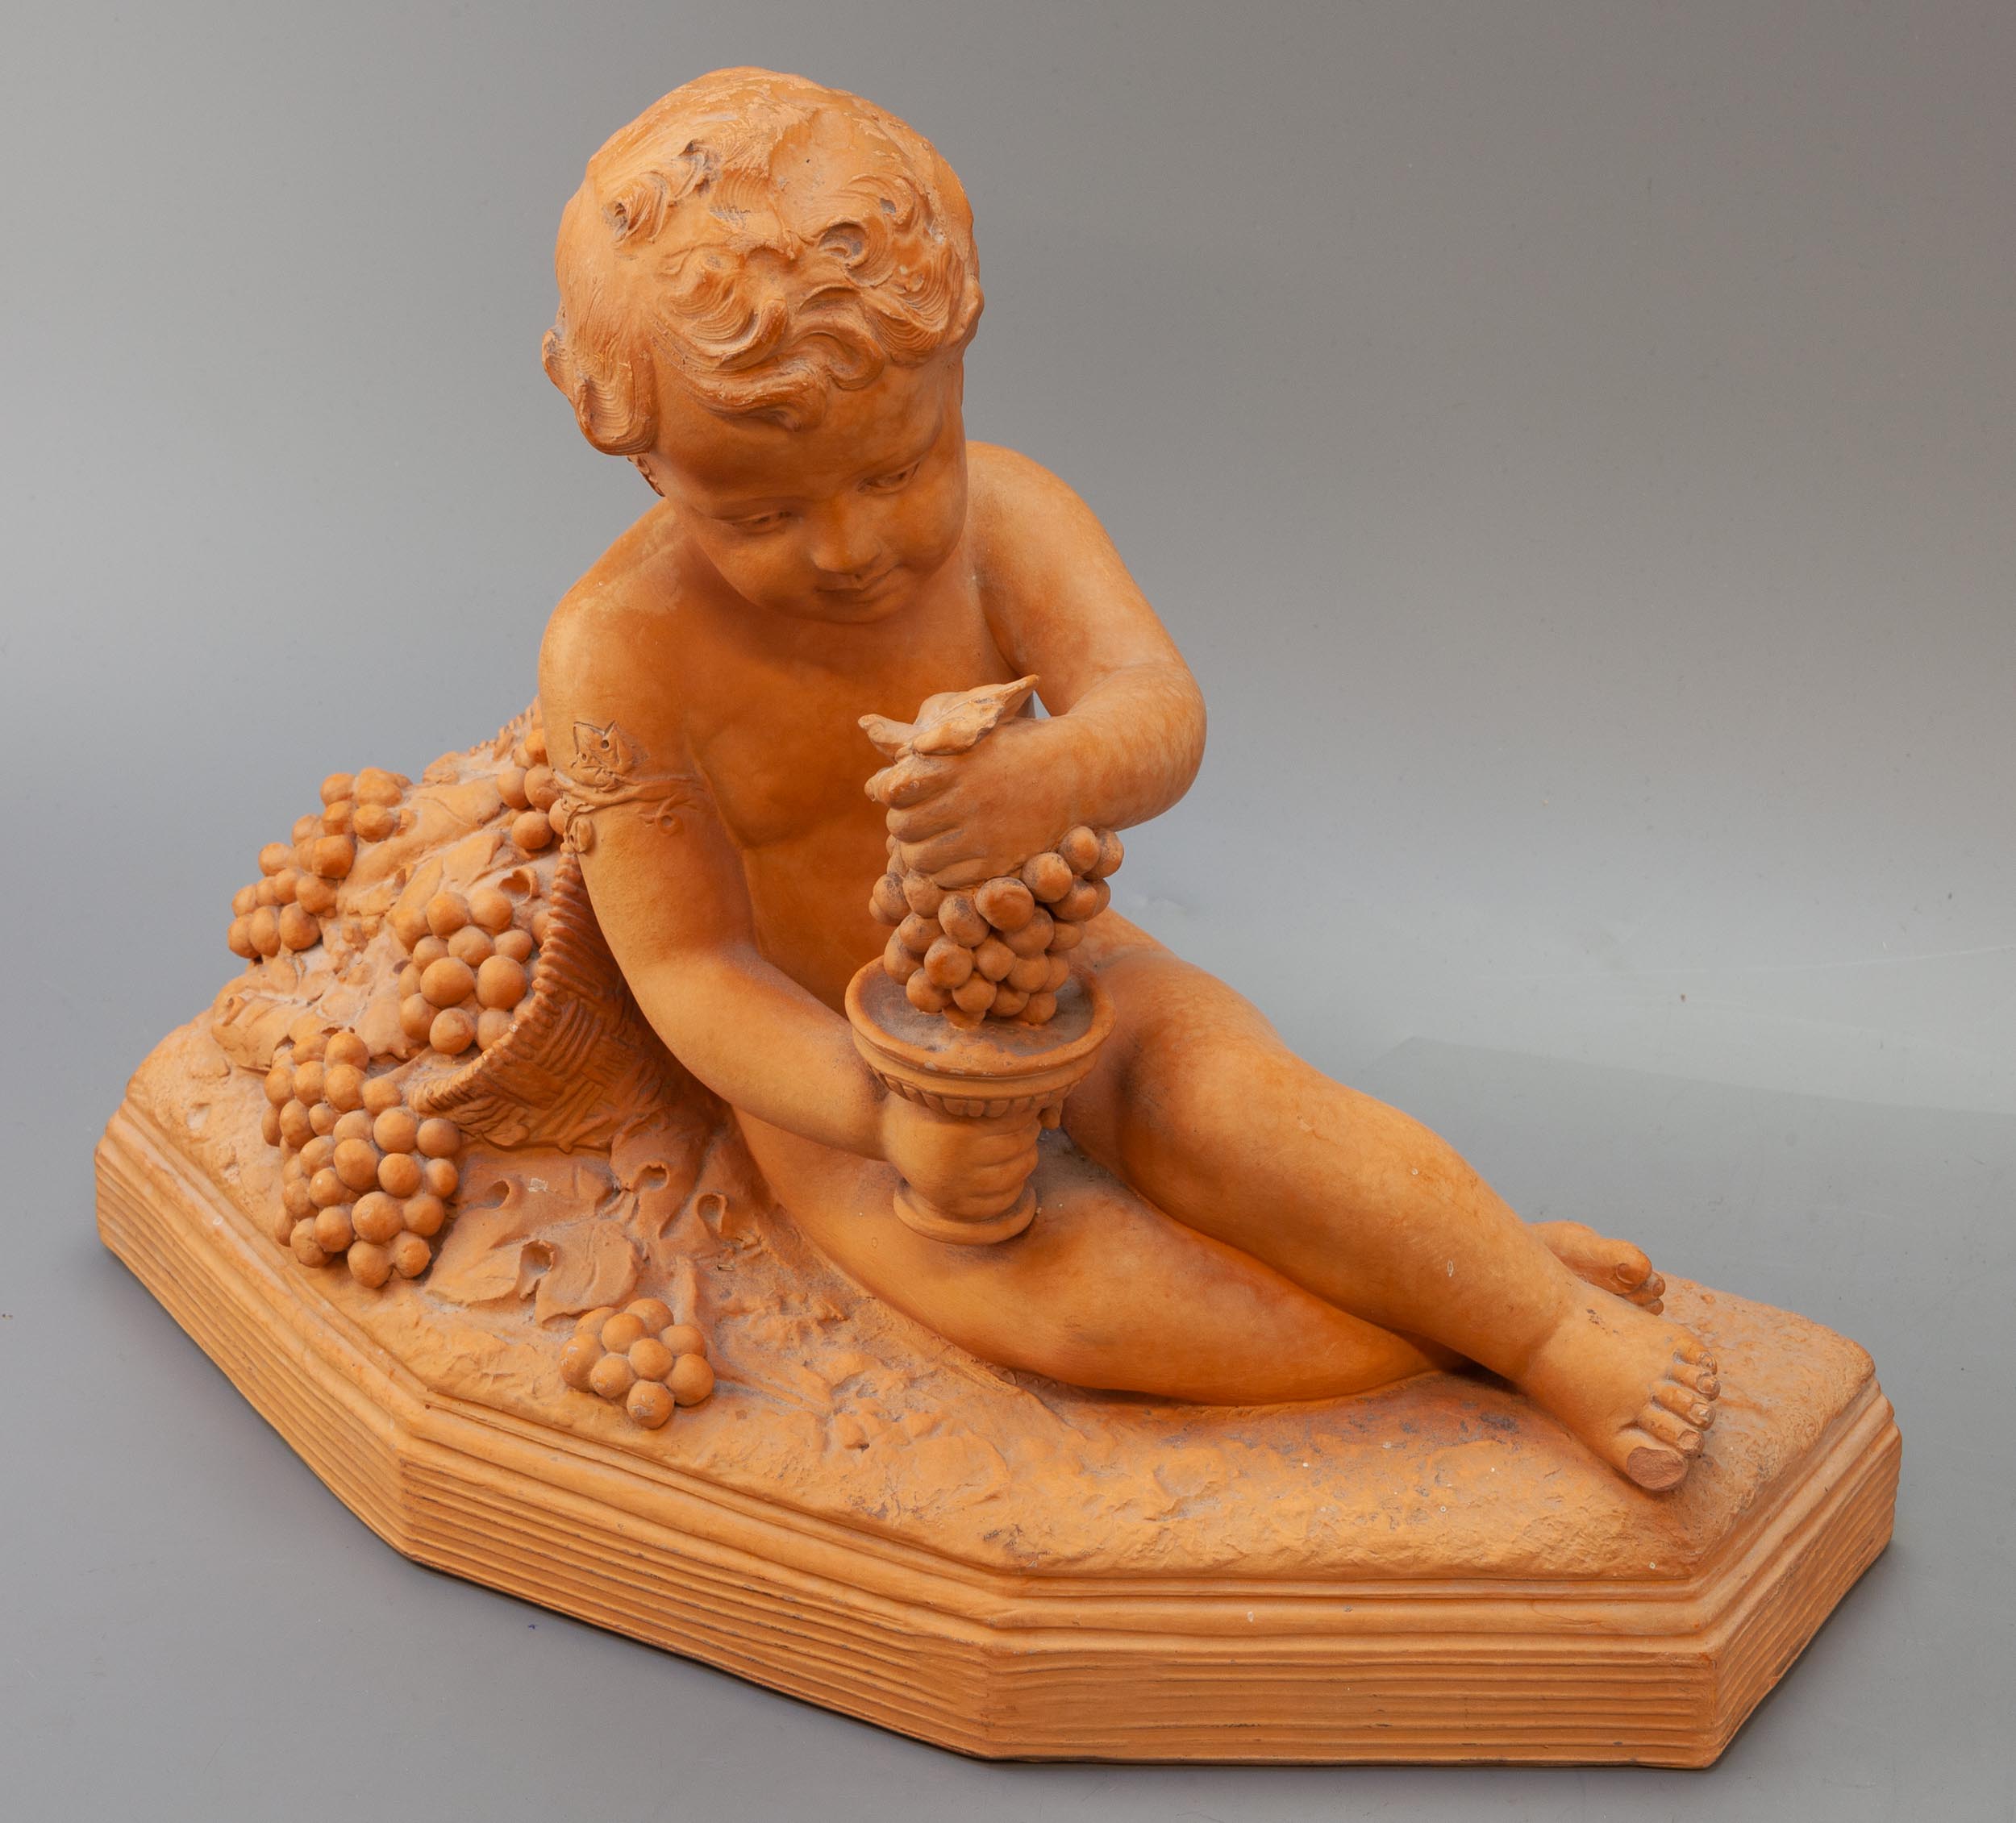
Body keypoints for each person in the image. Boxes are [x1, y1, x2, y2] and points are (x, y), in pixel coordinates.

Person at [536, 68, 1718, 1489]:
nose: (851, 548)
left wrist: (1054, 771)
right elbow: (689, 967)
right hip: (832, 1072)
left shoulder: (1010, 518)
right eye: (762, 512)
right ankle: (1466, 1298)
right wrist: (883, 1108)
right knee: (1075, 1303)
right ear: (647, 463)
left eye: (900, 470)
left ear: (955, 377)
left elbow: (1160, 711)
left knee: (1234, 1110)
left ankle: (1533, 1323)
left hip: (1064, 970)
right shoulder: (620, 652)